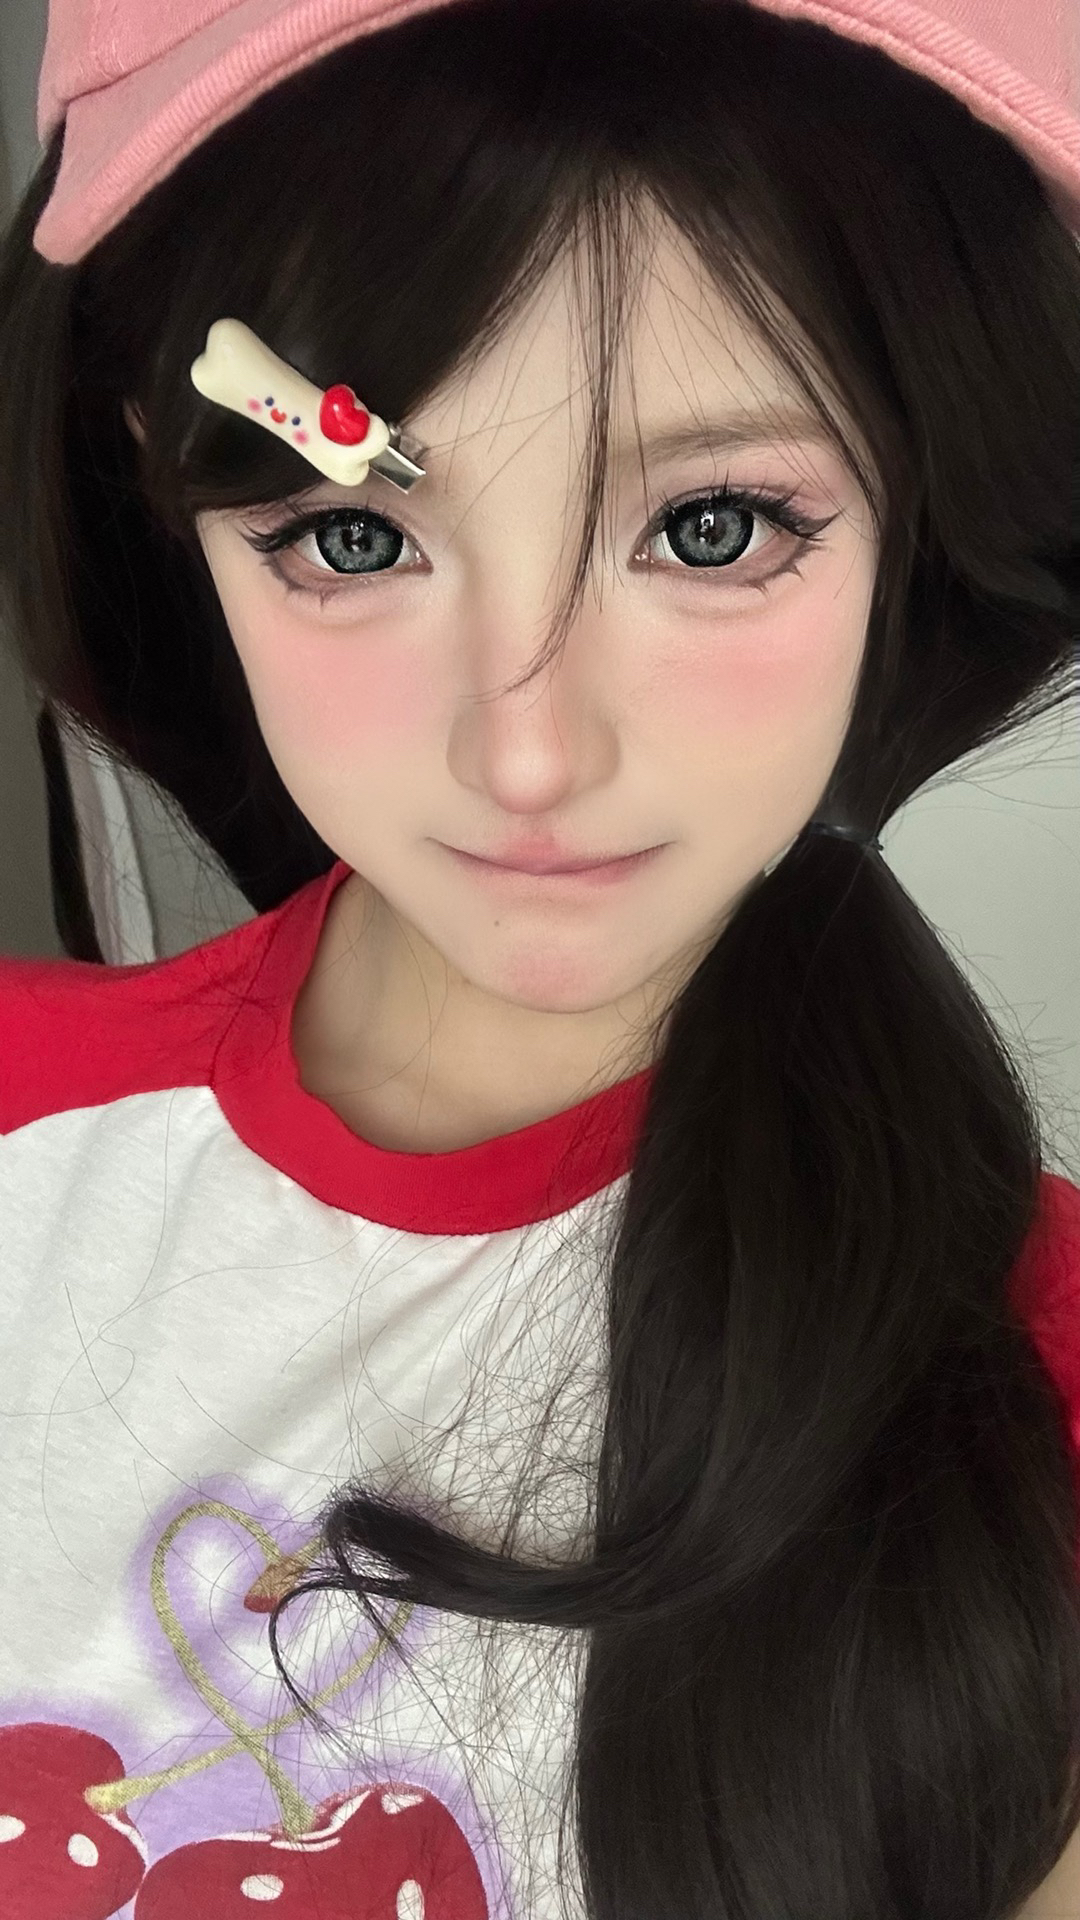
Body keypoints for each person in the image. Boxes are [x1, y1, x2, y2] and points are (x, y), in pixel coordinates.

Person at [0, 0, 1079, 1912]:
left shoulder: (1037, 1386)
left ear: (923, 506)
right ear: (163, 489)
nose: (528, 753)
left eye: (714, 526)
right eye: (351, 535)